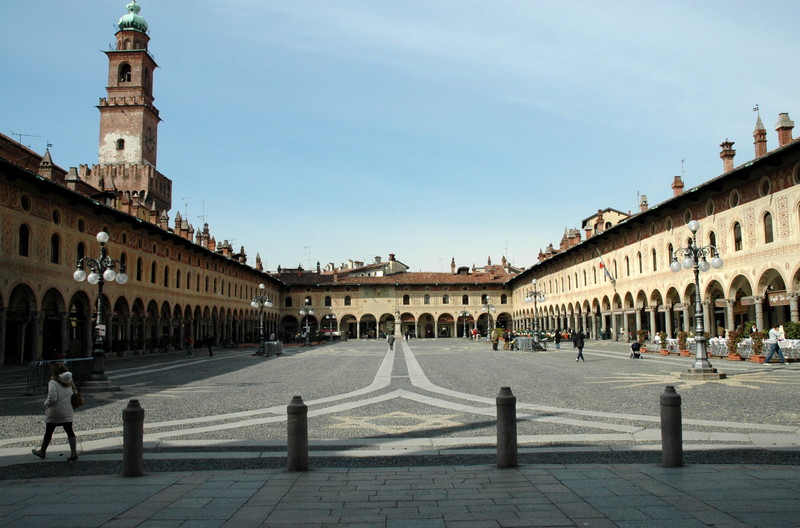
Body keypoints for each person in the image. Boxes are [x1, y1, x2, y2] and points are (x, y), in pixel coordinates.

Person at [32, 363, 79, 461]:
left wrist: (46, 404)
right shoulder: (70, 381)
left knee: (49, 431)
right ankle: (73, 452)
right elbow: (75, 393)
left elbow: (52, 398)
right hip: (67, 409)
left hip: (55, 410)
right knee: (69, 430)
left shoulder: (53, 382)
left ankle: (42, 451)